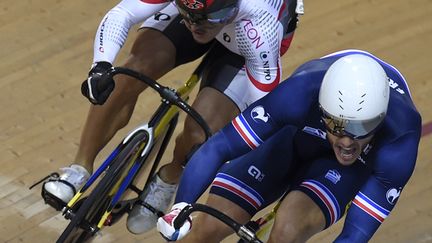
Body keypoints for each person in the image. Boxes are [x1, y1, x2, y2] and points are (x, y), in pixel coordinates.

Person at [41, 0, 304, 235]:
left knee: (202, 132)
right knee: (127, 74)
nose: (196, 28)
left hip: (246, 43)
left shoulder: (260, 23)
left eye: (206, 20)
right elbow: (123, 13)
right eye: (191, 17)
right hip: (203, 8)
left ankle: (171, 175)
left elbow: (264, 108)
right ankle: (79, 168)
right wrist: (101, 66)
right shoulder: (196, 13)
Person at [157, 49, 422, 242]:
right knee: (207, 230)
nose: (346, 142)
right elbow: (219, 147)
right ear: (321, 109)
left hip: (342, 170)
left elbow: (356, 233)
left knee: (287, 231)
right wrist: (181, 208)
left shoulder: (400, 135)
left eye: (362, 129)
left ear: (380, 120)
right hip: (293, 137)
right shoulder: (299, 93)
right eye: (337, 126)